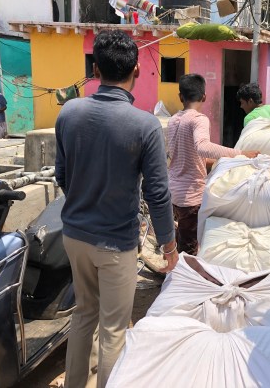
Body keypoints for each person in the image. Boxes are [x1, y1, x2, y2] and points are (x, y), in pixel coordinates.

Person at [55, 30, 176, 388]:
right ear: (137, 70)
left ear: (95, 68)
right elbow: (157, 193)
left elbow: (62, 174)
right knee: (113, 330)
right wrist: (169, 245)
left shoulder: (69, 112)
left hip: (74, 236)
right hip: (115, 245)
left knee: (83, 314)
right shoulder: (145, 125)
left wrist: (84, 201)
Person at [167, 74, 259, 255]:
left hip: (174, 193)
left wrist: (221, 162)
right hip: (191, 196)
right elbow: (203, 147)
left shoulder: (173, 120)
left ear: (180, 97)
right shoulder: (198, 119)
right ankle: (183, 271)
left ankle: (177, 263)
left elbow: (186, 155)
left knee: (183, 236)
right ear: (204, 97)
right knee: (190, 248)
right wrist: (240, 153)